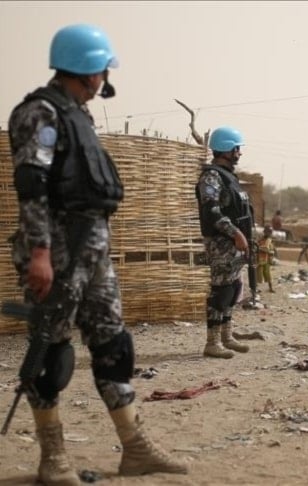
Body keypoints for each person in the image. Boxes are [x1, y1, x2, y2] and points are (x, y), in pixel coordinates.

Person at [7, 24, 187, 484]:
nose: (105, 76)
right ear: (88, 69)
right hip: (56, 250)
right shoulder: (38, 113)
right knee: (52, 351)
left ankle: (135, 447)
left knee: (113, 345)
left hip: (93, 252)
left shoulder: (77, 115)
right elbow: (32, 190)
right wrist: (41, 253)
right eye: (102, 67)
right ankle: (54, 459)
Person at [195, 126, 254, 359]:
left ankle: (227, 336)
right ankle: (212, 342)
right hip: (221, 243)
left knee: (233, 289)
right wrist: (236, 234)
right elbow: (211, 212)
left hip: (234, 245)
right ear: (226, 149)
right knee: (220, 292)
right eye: (236, 148)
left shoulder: (229, 177)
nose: (239, 153)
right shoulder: (211, 176)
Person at [257, 226, 276, 293]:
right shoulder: (260, 240)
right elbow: (257, 247)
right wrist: (263, 249)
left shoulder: (270, 240)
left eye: (271, 232)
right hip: (260, 260)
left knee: (268, 274)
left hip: (267, 260)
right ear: (265, 232)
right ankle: (256, 289)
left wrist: (271, 252)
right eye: (269, 232)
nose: (270, 233)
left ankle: (270, 288)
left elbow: (272, 249)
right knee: (258, 274)